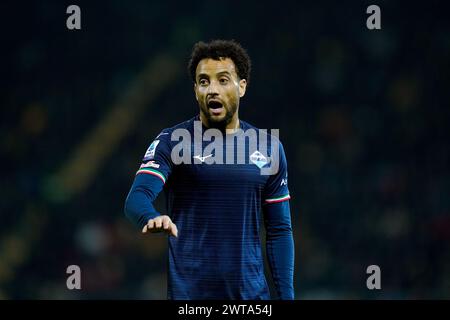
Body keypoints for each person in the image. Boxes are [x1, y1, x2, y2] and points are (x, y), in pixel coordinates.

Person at [124, 39, 294, 299]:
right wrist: (149, 216)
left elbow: (279, 230)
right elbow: (137, 198)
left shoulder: (269, 147)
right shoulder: (173, 141)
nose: (212, 89)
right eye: (204, 82)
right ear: (195, 90)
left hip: (252, 300)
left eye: (223, 80)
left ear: (242, 87)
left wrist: (287, 297)